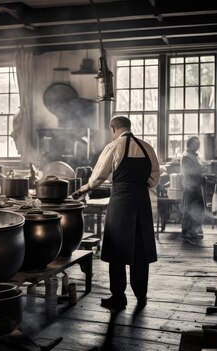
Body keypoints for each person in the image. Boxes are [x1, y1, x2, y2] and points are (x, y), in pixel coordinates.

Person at [71, 116, 160, 310]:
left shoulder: (113, 147)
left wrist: (83, 190)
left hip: (121, 204)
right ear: (129, 127)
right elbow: (154, 180)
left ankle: (119, 298)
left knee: (117, 250)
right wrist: (136, 185)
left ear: (113, 128)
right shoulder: (147, 147)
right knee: (140, 250)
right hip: (141, 204)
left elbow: (97, 177)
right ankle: (141, 296)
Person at [180, 136, 206, 245]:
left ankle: (194, 231)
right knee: (189, 210)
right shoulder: (186, 157)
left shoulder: (195, 156)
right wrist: (202, 169)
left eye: (199, 144)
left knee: (198, 209)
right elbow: (191, 172)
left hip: (197, 186)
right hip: (190, 187)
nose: (198, 146)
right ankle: (186, 233)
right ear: (189, 144)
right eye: (196, 143)